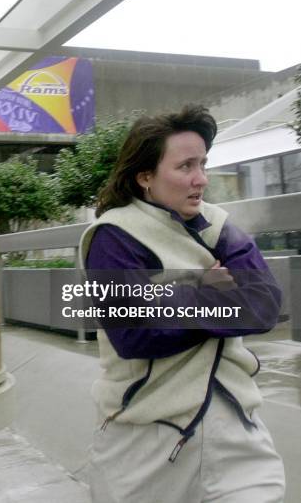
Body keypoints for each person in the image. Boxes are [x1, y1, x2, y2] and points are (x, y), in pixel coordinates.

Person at [80, 105, 285, 503]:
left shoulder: (221, 226)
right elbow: (135, 334)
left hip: (237, 423)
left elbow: (263, 306)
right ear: (145, 177)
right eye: (185, 166)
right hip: (145, 437)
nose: (201, 180)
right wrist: (205, 289)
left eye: (203, 164)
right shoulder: (113, 235)